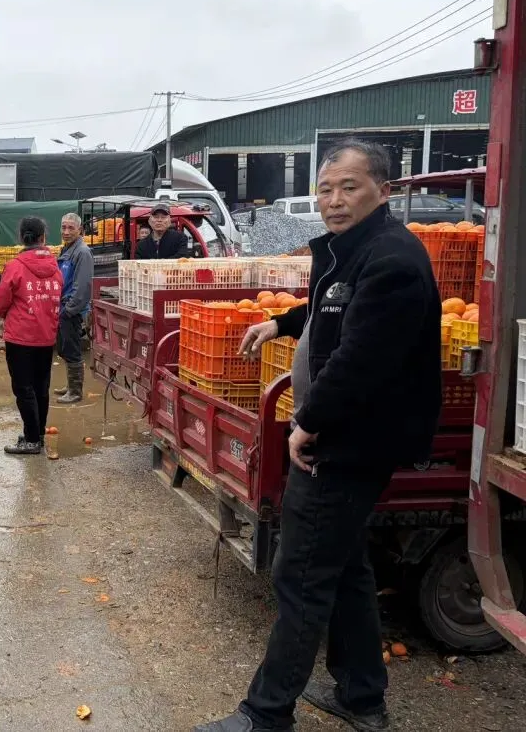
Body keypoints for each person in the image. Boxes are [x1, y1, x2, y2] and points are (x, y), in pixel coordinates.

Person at [197, 140, 441, 732]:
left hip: (349, 442)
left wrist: (308, 423)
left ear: (384, 190)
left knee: (300, 574)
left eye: (349, 187)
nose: (334, 200)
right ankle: (362, 697)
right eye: (326, 188)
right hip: (344, 435)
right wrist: (279, 321)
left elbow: (361, 361)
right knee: (348, 566)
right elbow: (330, 309)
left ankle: (266, 713)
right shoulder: (351, 254)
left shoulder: (392, 262)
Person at [0, 217, 63, 455]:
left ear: (22, 237)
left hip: (20, 337)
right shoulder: (55, 266)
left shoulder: (15, 265)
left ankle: (32, 439)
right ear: (43, 238)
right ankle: (37, 433)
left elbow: (0, 300)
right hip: (46, 335)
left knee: (23, 389)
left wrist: (3, 315)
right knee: (41, 387)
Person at [55, 213, 93, 404]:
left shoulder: (82, 252)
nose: (66, 232)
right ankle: (70, 385)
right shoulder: (67, 249)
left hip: (72, 309)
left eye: (71, 228)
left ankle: (76, 391)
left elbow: (83, 286)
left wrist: (69, 310)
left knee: (72, 349)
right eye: (63, 227)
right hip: (64, 307)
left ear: (80, 230)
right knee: (64, 347)